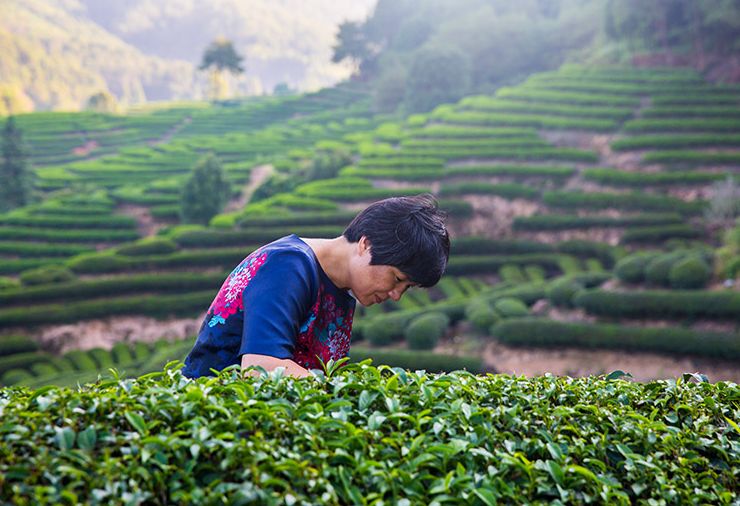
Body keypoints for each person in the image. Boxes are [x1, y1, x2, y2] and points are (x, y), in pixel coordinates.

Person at [182, 193, 450, 379]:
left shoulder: (342, 290)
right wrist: (344, 397)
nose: (396, 295)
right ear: (366, 244)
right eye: (397, 279)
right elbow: (261, 368)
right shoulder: (289, 265)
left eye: (406, 288)